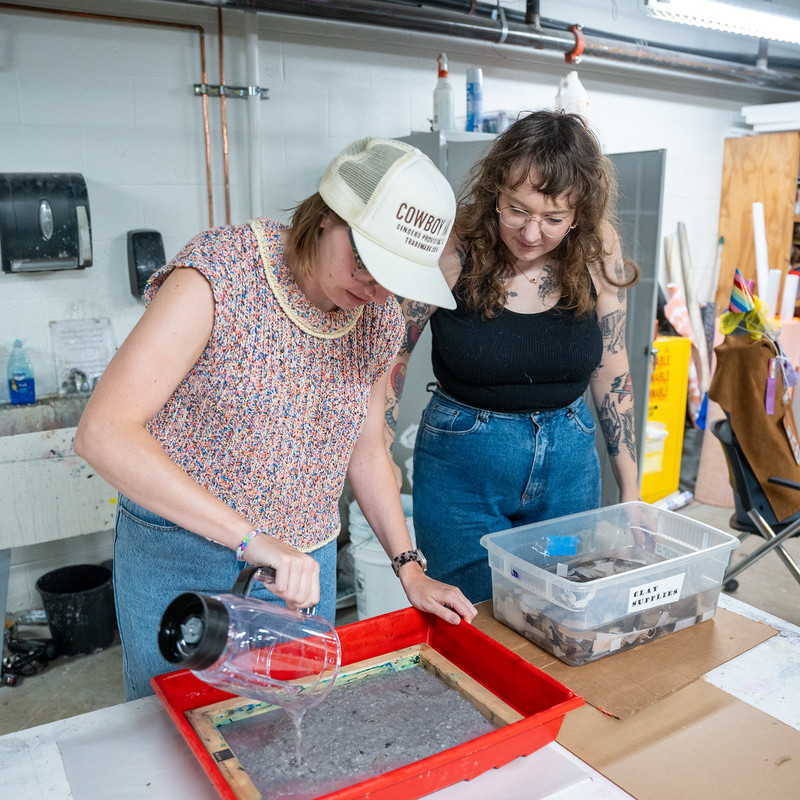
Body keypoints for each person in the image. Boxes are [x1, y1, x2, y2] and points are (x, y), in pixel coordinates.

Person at [75, 137, 477, 701]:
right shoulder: (220, 274)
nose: (375, 289)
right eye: (365, 261)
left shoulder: (375, 316)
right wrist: (254, 540)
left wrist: (408, 565)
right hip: (182, 559)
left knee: (286, 727)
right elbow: (103, 433)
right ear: (325, 217)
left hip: (297, 573)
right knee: (174, 733)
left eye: (395, 276)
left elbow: (364, 453)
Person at [384, 111, 640, 604]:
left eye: (553, 219)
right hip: (464, 465)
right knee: (472, 615)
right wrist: (381, 455)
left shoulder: (596, 249)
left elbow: (611, 366)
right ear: (495, 191)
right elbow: (393, 358)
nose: (530, 233)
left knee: (560, 611)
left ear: (580, 214)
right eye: (517, 210)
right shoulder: (451, 245)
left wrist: (630, 488)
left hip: (569, 464)